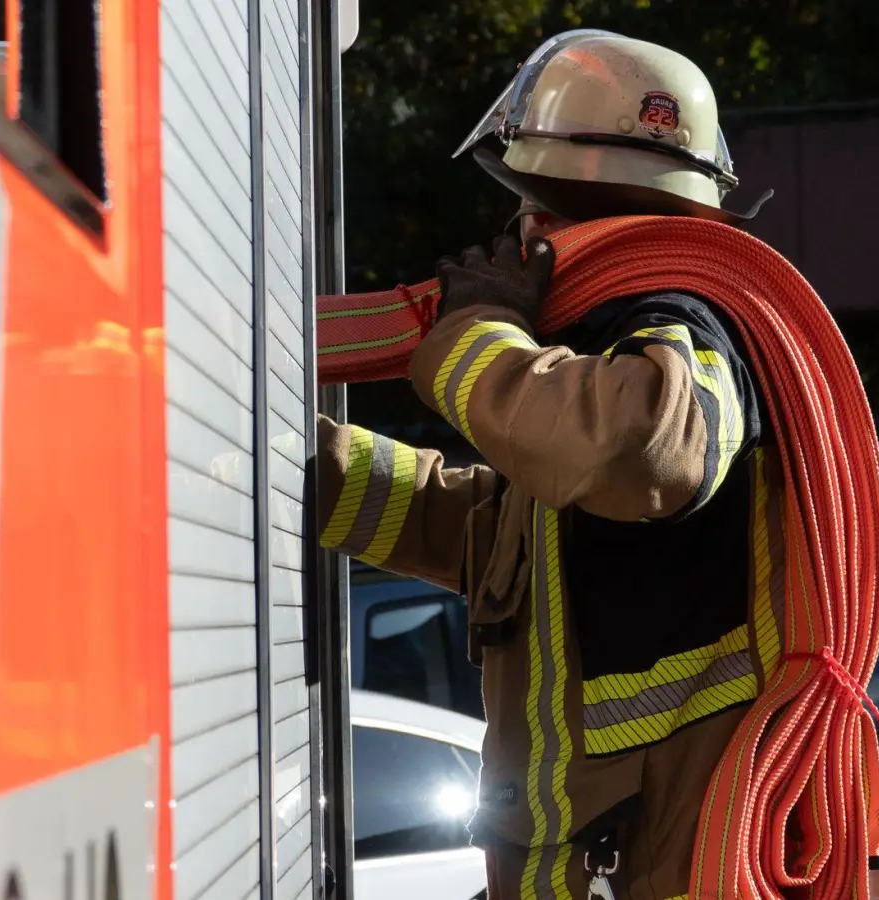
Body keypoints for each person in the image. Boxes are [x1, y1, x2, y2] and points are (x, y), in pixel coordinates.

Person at [314, 31, 785, 899]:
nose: (516, 234)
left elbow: (634, 449)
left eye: (532, 208)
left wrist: (476, 329)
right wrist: (293, 465)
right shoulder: (595, 384)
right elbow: (478, 527)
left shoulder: (689, 331)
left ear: (564, 218)